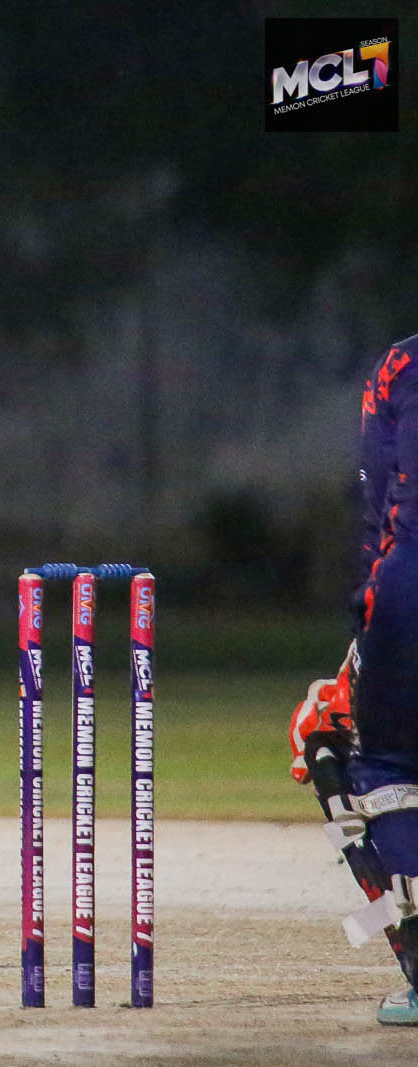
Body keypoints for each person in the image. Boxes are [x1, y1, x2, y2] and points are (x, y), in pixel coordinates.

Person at [289, 332, 418, 1025]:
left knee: (339, 744)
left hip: (407, 597)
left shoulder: (402, 365)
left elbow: (378, 510)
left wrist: (366, 633)